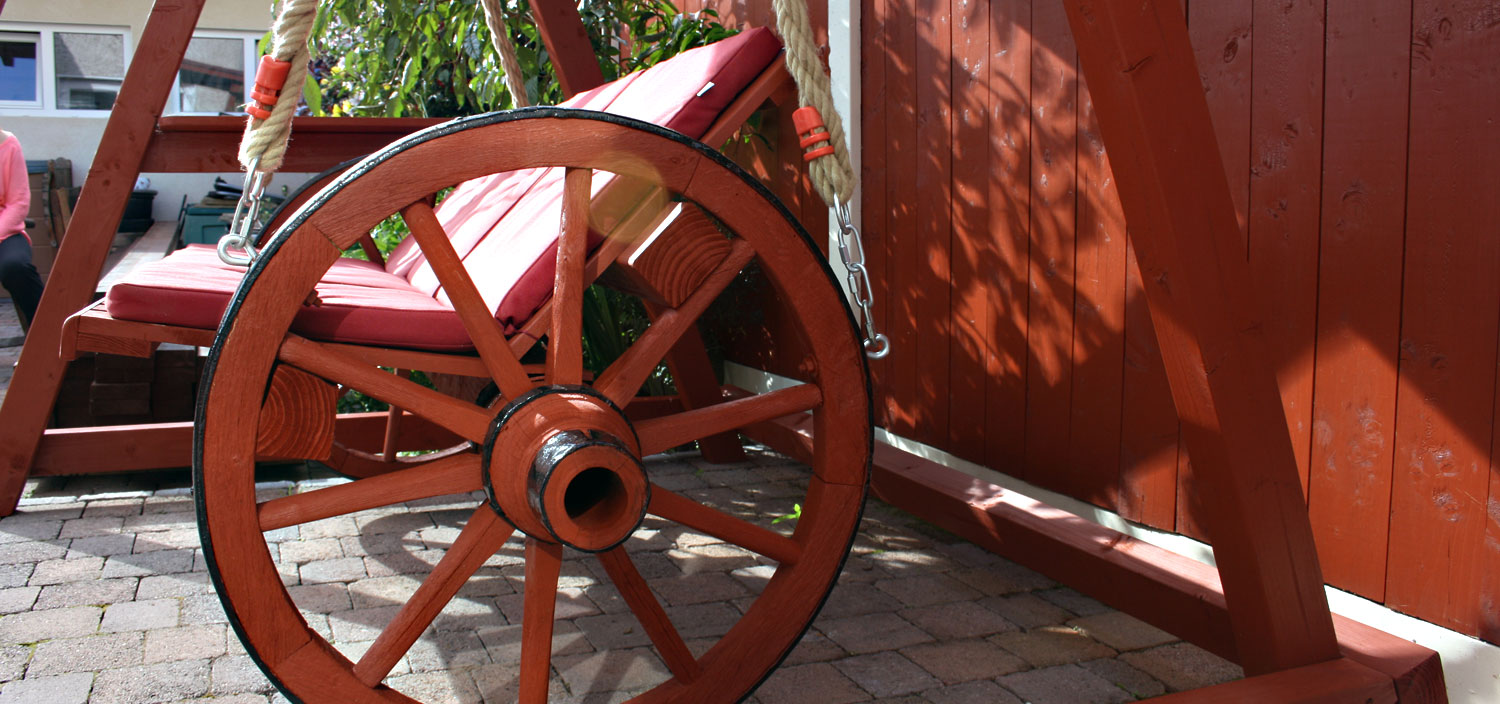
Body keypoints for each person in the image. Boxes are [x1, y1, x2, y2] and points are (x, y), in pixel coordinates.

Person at [0, 127, 43, 331]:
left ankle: (47, 334)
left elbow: (18, 202)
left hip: (5, 231)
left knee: (16, 267)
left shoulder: (8, 144)